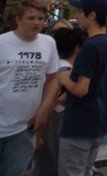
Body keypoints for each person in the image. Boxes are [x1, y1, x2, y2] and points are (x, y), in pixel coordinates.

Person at [0, 0, 62, 176]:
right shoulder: (2, 42)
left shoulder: (48, 43)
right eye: (31, 18)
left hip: (24, 128)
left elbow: (53, 79)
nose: (36, 23)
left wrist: (44, 109)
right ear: (18, 19)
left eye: (40, 18)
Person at [56, 0, 107, 176]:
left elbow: (81, 89)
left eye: (80, 11)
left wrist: (61, 77)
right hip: (97, 119)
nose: (76, 15)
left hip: (80, 122)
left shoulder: (90, 46)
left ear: (92, 15)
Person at [34, 25, 82, 176]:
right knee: (53, 161)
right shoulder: (65, 69)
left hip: (51, 117)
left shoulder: (57, 66)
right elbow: (54, 98)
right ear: (77, 48)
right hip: (55, 118)